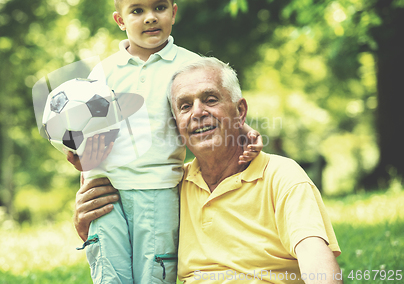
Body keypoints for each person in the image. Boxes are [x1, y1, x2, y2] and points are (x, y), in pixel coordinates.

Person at [66, 0, 262, 284]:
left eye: (158, 8)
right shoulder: (103, 71)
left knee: (155, 270)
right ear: (120, 20)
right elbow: (84, 123)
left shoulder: (189, 65)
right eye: (137, 10)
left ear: (173, 12)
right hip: (105, 187)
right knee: (109, 270)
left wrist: (246, 131)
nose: (150, 18)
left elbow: (222, 106)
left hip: (157, 189)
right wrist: (75, 150)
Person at [74, 57, 343, 284]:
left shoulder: (281, 175)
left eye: (210, 99)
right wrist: (87, 225)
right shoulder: (172, 187)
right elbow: (135, 248)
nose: (198, 112)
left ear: (240, 111)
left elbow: (315, 257)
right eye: (185, 106)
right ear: (176, 124)